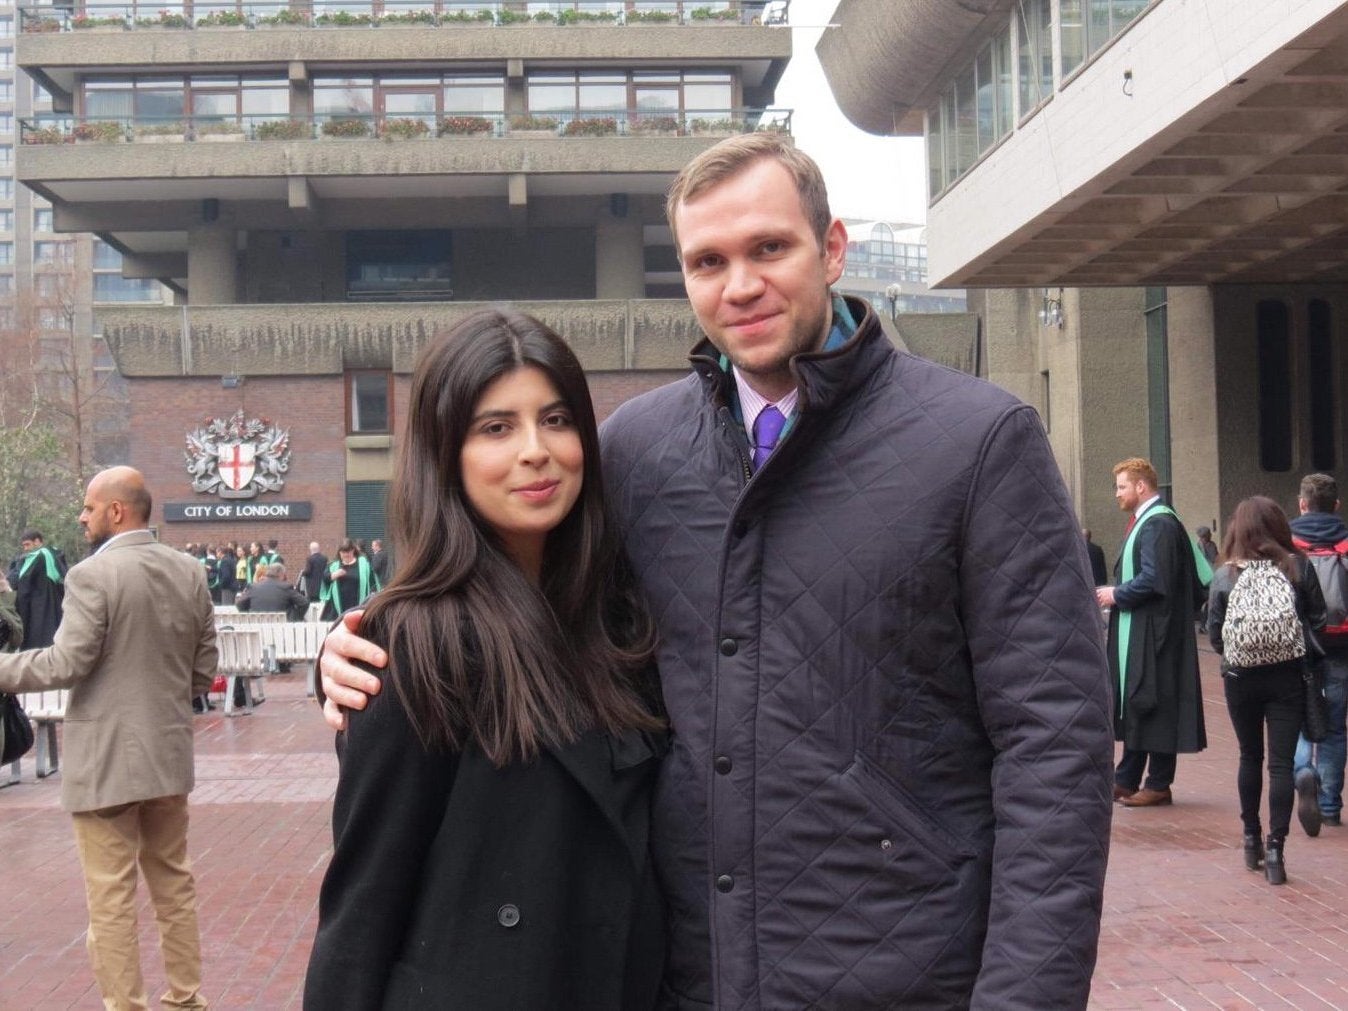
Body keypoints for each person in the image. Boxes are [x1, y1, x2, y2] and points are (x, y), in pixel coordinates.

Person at [318, 133, 1114, 1007]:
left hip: (908, 970)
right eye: (708, 260)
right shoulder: (636, 450)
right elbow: (527, 595)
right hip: (690, 976)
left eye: (769, 248)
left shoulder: (979, 442)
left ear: (833, 247)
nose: (740, 285)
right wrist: (362, 644)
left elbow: (1054, 746)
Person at [303, 310, 666, 1009]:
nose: (536, 450)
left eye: (557, 420)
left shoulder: (619, 618)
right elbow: (362, 905)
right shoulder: (414, 648)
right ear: (446, 453)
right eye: (496, 427)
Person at [0, 467, 216, 1009]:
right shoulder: (189, 570)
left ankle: (127, 1006)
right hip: (167, 754)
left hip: (105, 764)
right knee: (174, 886)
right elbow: (203, 666)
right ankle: (188, 1000)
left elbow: (67, 662)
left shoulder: (91, 576)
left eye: (89, 507)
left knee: (111, 898)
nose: (82, 516)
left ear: (117, 511)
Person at [1207, 496, 1325, 884]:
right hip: (1288, 676)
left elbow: (1215, 633)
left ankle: (1250, 838)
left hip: (1241, 677)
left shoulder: (1225, 575)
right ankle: (1276, 849)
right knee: (1280, 764)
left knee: (1248, 756)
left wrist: (1240, 651)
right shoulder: (1298, 567)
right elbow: (1318, 620)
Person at [1096, 457, 1208, 807]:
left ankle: (1158, 782)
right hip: (1146, 628)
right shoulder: (1149, 521)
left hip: (1155, 633)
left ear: (1141, 487)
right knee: (1140, 702)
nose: (1117, 494)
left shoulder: (1158, 524)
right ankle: (1127, 778)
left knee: (1155, 703)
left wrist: (1116, 594)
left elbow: (1153, 579)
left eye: (1122, 486)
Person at [1290, 472, 1348, 832]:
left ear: (1301, 504)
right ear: (1336, 505)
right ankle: (1330, 804)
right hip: (1341, 646)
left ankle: (1303, 772)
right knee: (1336, 728)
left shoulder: (1285, 544)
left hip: (1298, 647)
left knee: (1299, 722)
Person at [6, 529, 66, 648]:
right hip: (56, 610)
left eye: (27, 544)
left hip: (36, 613)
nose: (26, 548)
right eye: (23, 546)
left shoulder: (39, 554)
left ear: (38, 541)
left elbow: (20, 582)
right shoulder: (55, 555)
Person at [320, 540, 379, 622]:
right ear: (339, 552)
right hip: (337, 608)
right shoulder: (333, 565)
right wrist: (333, 575)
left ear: (353, 550)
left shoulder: (364, 564)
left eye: (348, 552)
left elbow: (373, 581)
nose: (346, 555)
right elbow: (325, 580)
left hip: (358, 603)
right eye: (343, 552)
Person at [237, 562, 310, 621]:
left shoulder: (253, 587)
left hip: (258, 629)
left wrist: (249, 614)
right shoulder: (286, 587)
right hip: (282, 631)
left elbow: (240, 604)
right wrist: (294, 616)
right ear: (281, 574)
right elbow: (304, 603)